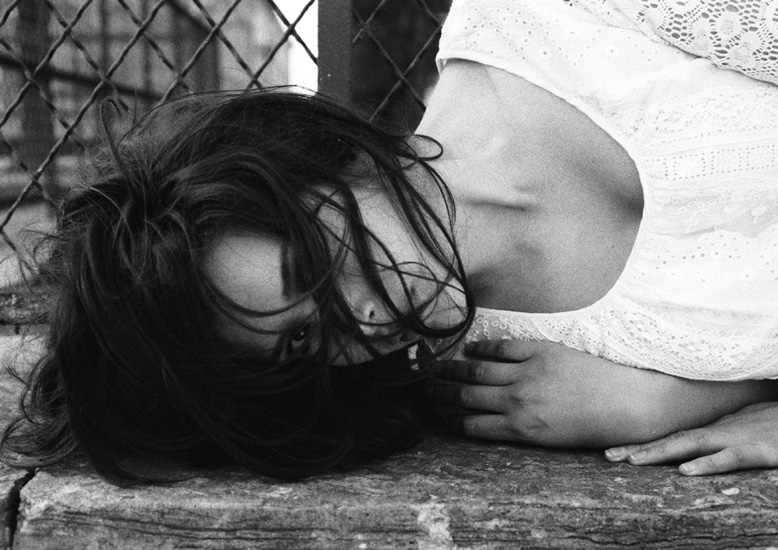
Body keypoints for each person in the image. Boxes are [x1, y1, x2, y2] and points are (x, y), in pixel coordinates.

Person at [3, 0, 778, 483]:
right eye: (305, 342)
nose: (366, 322)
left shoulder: (547, 22)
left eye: (316, 266)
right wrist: (688, 401)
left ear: (311, 161)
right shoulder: (529, 381)